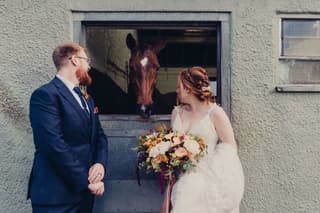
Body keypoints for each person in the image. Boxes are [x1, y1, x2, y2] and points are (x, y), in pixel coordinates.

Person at [28, 42, 108, 212]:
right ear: (74, 60)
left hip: (84, 196)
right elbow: (53, 145)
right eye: (87, 61)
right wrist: (86, 181)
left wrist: (99, 164)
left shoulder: (87, 98)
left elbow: (99, 136)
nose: (89, 67)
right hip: (56, 196)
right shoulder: (45, 95)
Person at [163, 66, 244, 213]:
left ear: (188, 89)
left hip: (207, 179)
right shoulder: (177, 113)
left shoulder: (215, 113)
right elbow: (172, 142)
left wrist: (210, 167)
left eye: (179, 87)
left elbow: (230, 146)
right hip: (182, 177)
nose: (176, 90)